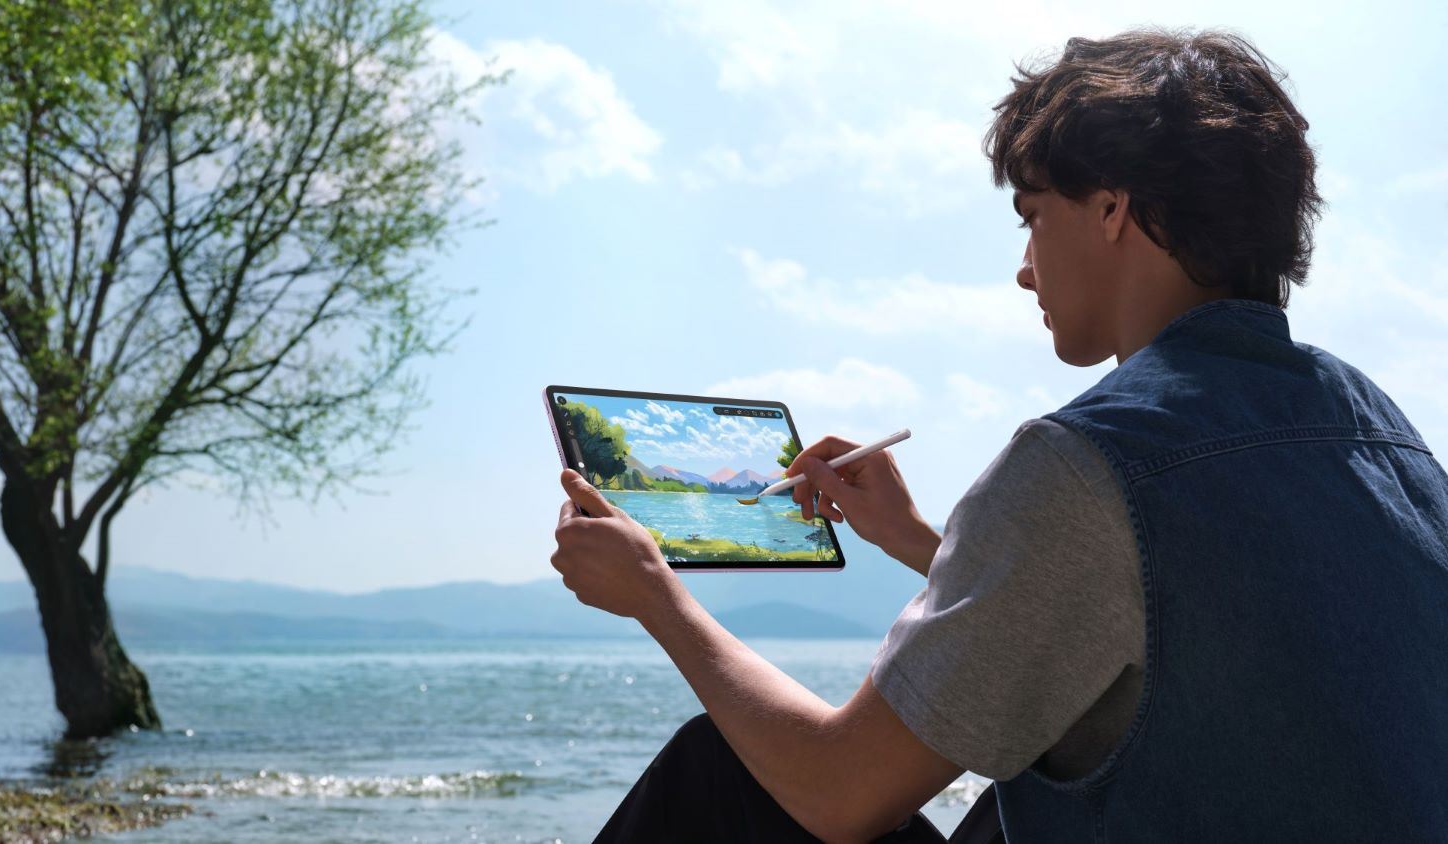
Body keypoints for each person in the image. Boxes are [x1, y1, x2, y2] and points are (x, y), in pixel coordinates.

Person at [549, 25, 1448, 843]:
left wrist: (655, 594)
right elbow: (1166, 635)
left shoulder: (1089, 458)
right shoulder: (1381, 432)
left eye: (1031, 217)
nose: (1023, 270)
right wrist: (917, 543)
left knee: (723, 770)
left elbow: (838, 792)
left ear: (1112, 209)